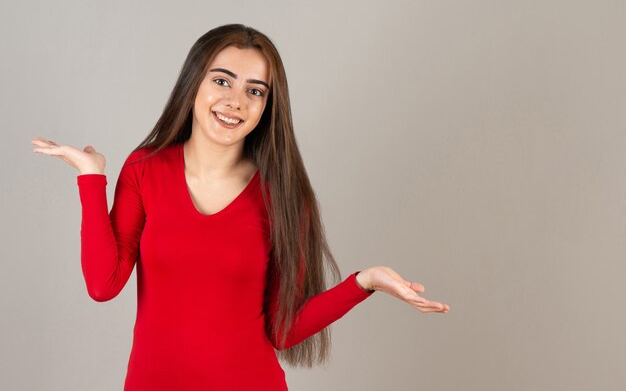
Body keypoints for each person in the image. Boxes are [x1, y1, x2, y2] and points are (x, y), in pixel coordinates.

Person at [31, 23, 449, 390]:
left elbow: (283, 331)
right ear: (194, 83)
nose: (236, 102)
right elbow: (103, 285)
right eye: (222, 81)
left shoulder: (284, 195)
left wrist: (365, 282)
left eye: (255, 91)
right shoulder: (145, 169)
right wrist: (90, 177)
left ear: (267, 107)